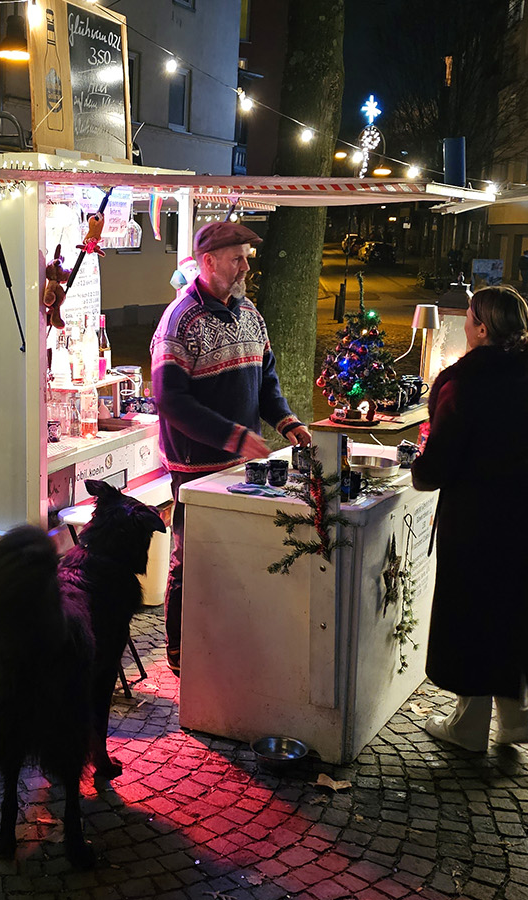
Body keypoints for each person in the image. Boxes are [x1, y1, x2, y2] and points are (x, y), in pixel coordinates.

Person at [411, 285, 528, 751]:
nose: (466, 324)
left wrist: (418, 466)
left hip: (476, 517)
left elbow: (437, 466)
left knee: (473, 609)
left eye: (469, 317)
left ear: (483, 328)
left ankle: (469, 726)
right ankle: (516, 718)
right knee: (516, 608)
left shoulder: (462, 382)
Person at [150, 221, 313, 672]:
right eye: (237, 258)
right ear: (209, 263)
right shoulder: (179, 320)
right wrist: (231, 435)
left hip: (240, 463)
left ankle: (225, 641)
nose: (245, 267)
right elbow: (169, 400)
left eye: (246, 257)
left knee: (236, 554)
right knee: (193, 559)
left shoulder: (250, 315)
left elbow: (266, 381)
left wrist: (287, 420)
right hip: (195, 462)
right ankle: (182, 652)